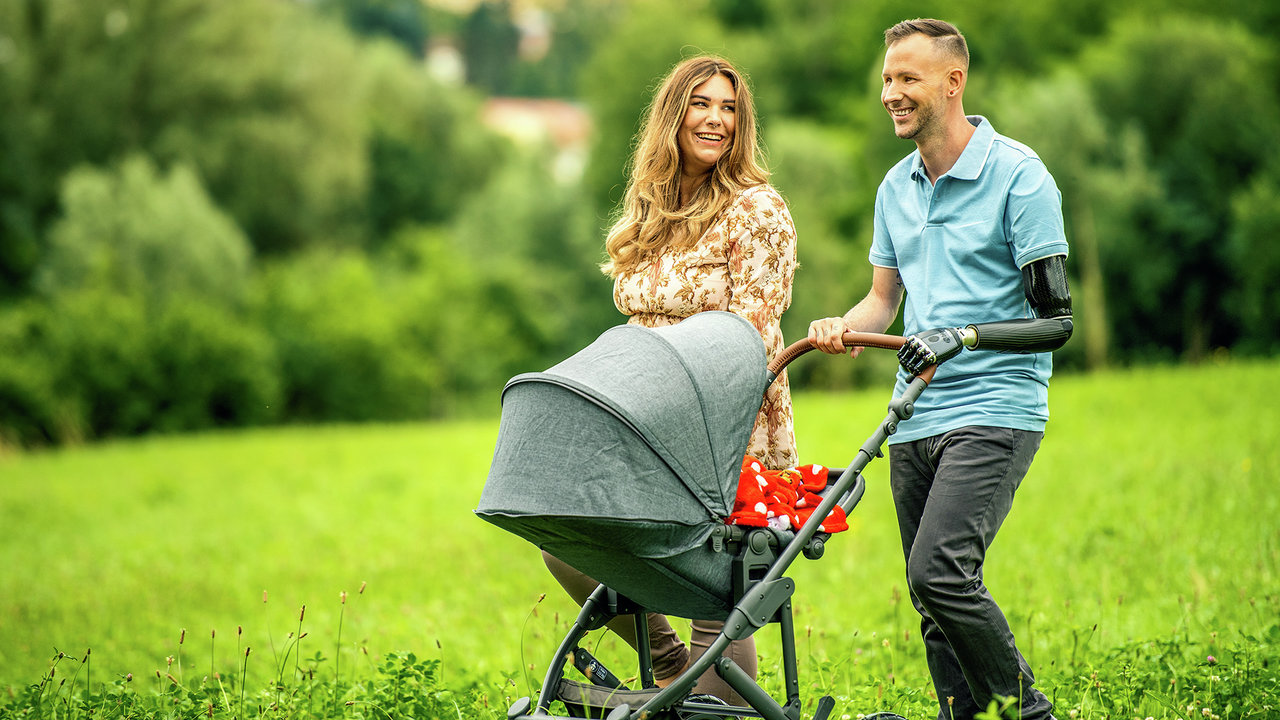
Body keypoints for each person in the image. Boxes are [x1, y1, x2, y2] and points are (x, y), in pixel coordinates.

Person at [807, 18, 1073, 720]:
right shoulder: (895, 187)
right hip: (915, 412)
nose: (891, 93)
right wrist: (840, 326)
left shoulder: (1020, 177)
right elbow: (883, 300)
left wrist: (965, 335)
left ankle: (1028, 712)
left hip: (995, 408)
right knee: (931, 601)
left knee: (940, 573)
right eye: (887, 79)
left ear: (954, 82)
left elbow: (1057, 321)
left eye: (908, 79)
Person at [540, 54, 798, 706]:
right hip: (645, 421)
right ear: (673, 115)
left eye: (729, 108)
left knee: (709, 587)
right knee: (567, 540)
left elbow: (751, 340)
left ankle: (711, 701)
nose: (715, 119)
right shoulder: (654, 210)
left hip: (722, 429)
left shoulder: (756, 209)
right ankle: (670, 664)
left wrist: (692, 416)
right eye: (701, 104)